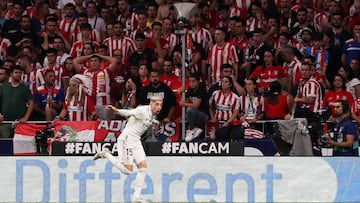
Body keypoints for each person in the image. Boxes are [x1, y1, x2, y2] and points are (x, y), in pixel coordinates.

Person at [93, 96, 163, 203]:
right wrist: (116, 110)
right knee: (127, 171)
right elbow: (128, 113)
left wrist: (155, 122)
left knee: (143, 168)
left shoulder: (151, 114)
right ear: (151, 104)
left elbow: (147, 119)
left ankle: (136, 198)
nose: (159, 107)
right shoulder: (142, 110)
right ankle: (106, 154)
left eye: (160, 105)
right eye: (156, 104)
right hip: (126, 140)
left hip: (136, 141)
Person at [0, 65, 34, 138]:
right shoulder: (3, 88)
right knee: (5, 144)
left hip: (20, 123)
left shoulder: (24, 88)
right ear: (11, 74)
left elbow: (31, 103)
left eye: (20, 73)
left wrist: (26, 117)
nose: (18, 74)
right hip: (5, 122)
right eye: (16, 72)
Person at [179, 74, 209, 141]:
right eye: (190, 81)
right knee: (180, 119)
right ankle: (189, 132)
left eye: (193, 81)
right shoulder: (190, 89)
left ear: (198, 82)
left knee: (190, 110)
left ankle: (191, 130)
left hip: (203, 115)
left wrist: (183, 103)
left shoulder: (201, 90)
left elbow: (196, 105)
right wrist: (181, 94)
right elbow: (183, 102)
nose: (191, 83)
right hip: (194, 114)